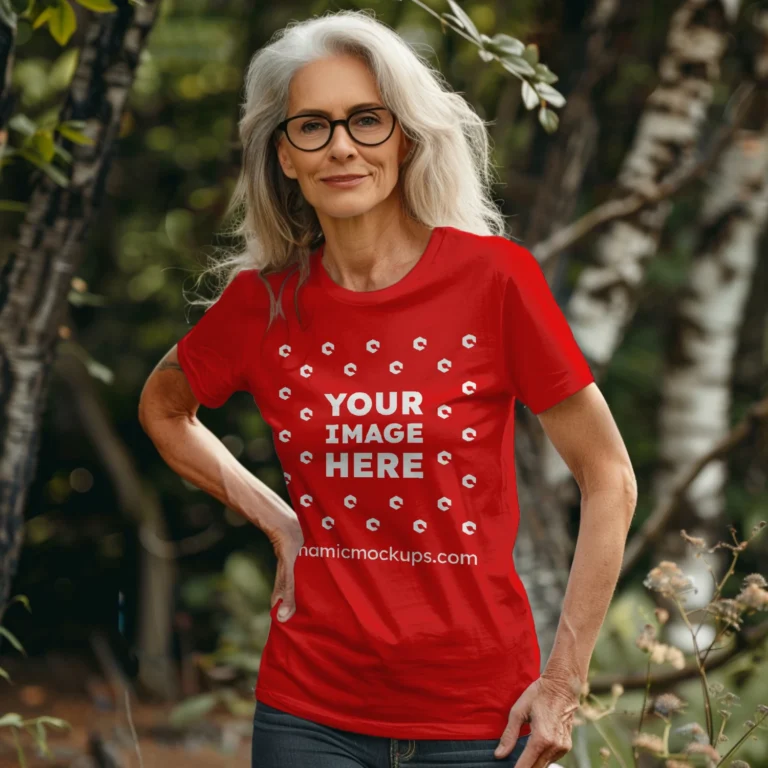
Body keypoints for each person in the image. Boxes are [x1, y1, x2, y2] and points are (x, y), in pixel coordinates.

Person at [138, 9, 637, 768]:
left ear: (405, 137)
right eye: (312, 126)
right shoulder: (262, 304)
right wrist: (277, 519)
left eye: (366, 120)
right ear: (285, 156)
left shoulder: (496, 281)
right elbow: (164, 408)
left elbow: (610, 478)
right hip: (309, 711)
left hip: (479, 716)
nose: (341, 146)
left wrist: (564, 681)